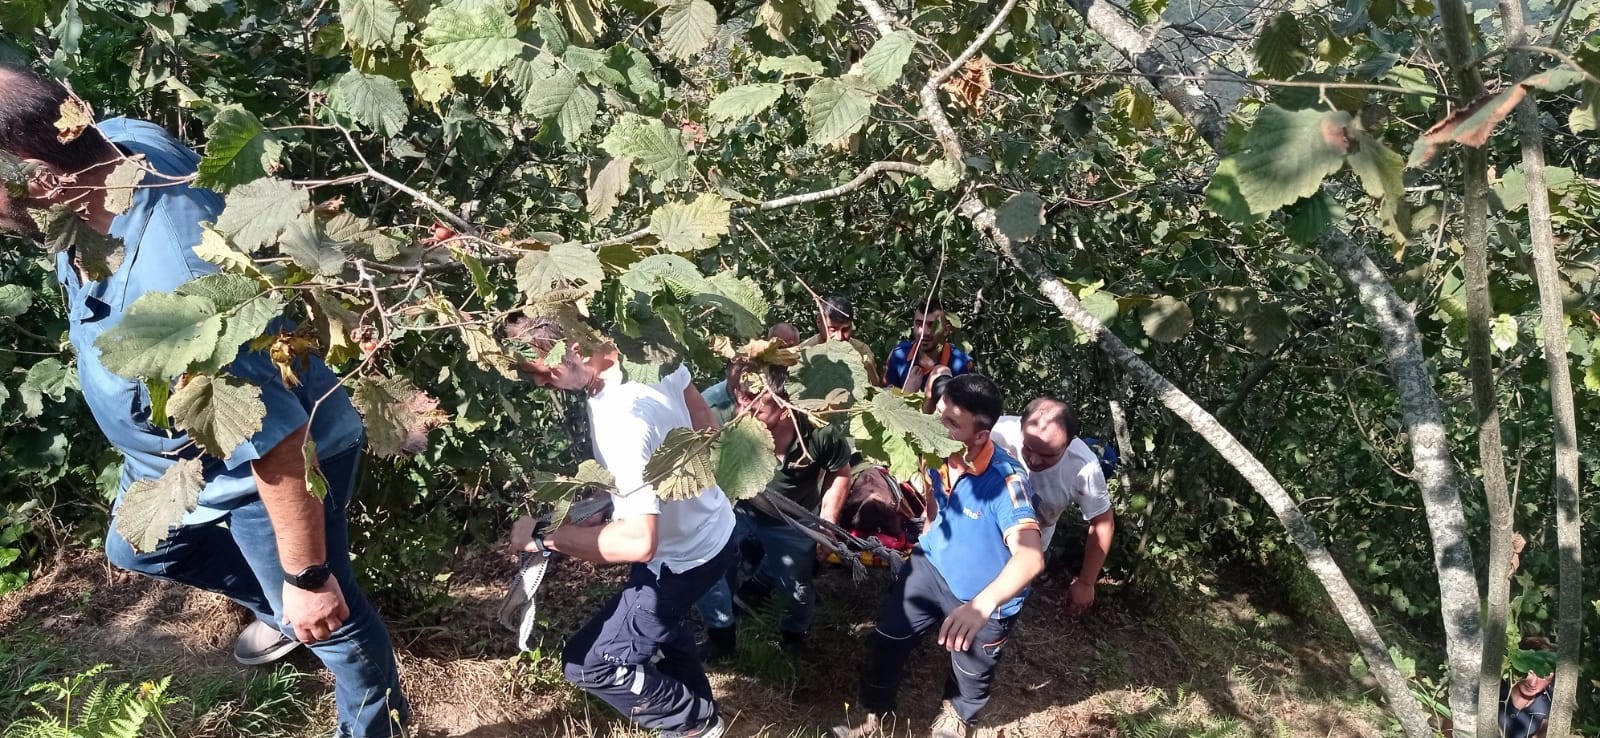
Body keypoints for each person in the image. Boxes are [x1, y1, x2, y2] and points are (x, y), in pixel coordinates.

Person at [0, 64, 408, 737]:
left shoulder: (181, 283)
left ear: (42, 179)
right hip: (175, 460)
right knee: (139, 549)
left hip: (259, 475)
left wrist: (304, 577)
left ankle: (365, 706)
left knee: (330, 618)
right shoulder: (121, 148)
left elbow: (278, 440)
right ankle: (290, 615)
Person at [504, 313, 735, 738]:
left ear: (571, 350)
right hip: (715, 530)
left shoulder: (621, 423)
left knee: (589, 664)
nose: (540, 384)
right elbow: (705, 423)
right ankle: (697, 707)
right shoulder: (645, 346)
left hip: (677, 560)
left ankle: (697, 725)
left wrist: (543, 538)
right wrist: (621, 499)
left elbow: (639, 541)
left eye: (542, 373)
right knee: (660, 627)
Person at [833, 375, 1045, 738]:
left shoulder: (1006, 483)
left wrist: (981, 606)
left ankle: (957, 716)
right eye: (939, 414)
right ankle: (874, 713)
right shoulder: (936, 452)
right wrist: (929, 524)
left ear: (980, 435)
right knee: (887, 638)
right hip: (930, 567)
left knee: (972, 669)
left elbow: (1030, 559)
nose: (937, 425)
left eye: (951, 423)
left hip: (984, 594)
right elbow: (934, 496)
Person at [695, 360, 853, 660]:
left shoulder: (818, 431)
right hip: (736, 509)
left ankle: (793, 635)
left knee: (796, 584)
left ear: (785, 408)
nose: (744, 413)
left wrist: (826, 521)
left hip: (791, 517)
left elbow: (840, 471)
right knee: (711, 563)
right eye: (741, 400)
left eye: (757, 409)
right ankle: (721, 630)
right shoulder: (721, 417)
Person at [990, 398, 1116, 615]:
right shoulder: (998, 432)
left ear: (1068, 444)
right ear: (1021, 427)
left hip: (1026, 551)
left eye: (1048, 455)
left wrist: (1086, 582)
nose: (1035, 460)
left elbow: (1103, 521)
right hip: (981, 529)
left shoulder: (1083, 467)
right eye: (1028, 448)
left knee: (997, 612)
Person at [883, 298, 975, 393]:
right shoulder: (898, 355)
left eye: (932, 325)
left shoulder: (963, 365)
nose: (923, 333)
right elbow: (885, 399)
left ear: (946, 330)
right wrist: (907, 392)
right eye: (919, 324)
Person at [801, 295, 881, 385]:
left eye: (845, 329)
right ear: (819, 323)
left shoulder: (862, 351)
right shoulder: (804, 352)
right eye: (832, 329)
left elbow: (874, 387)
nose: (839, 337)